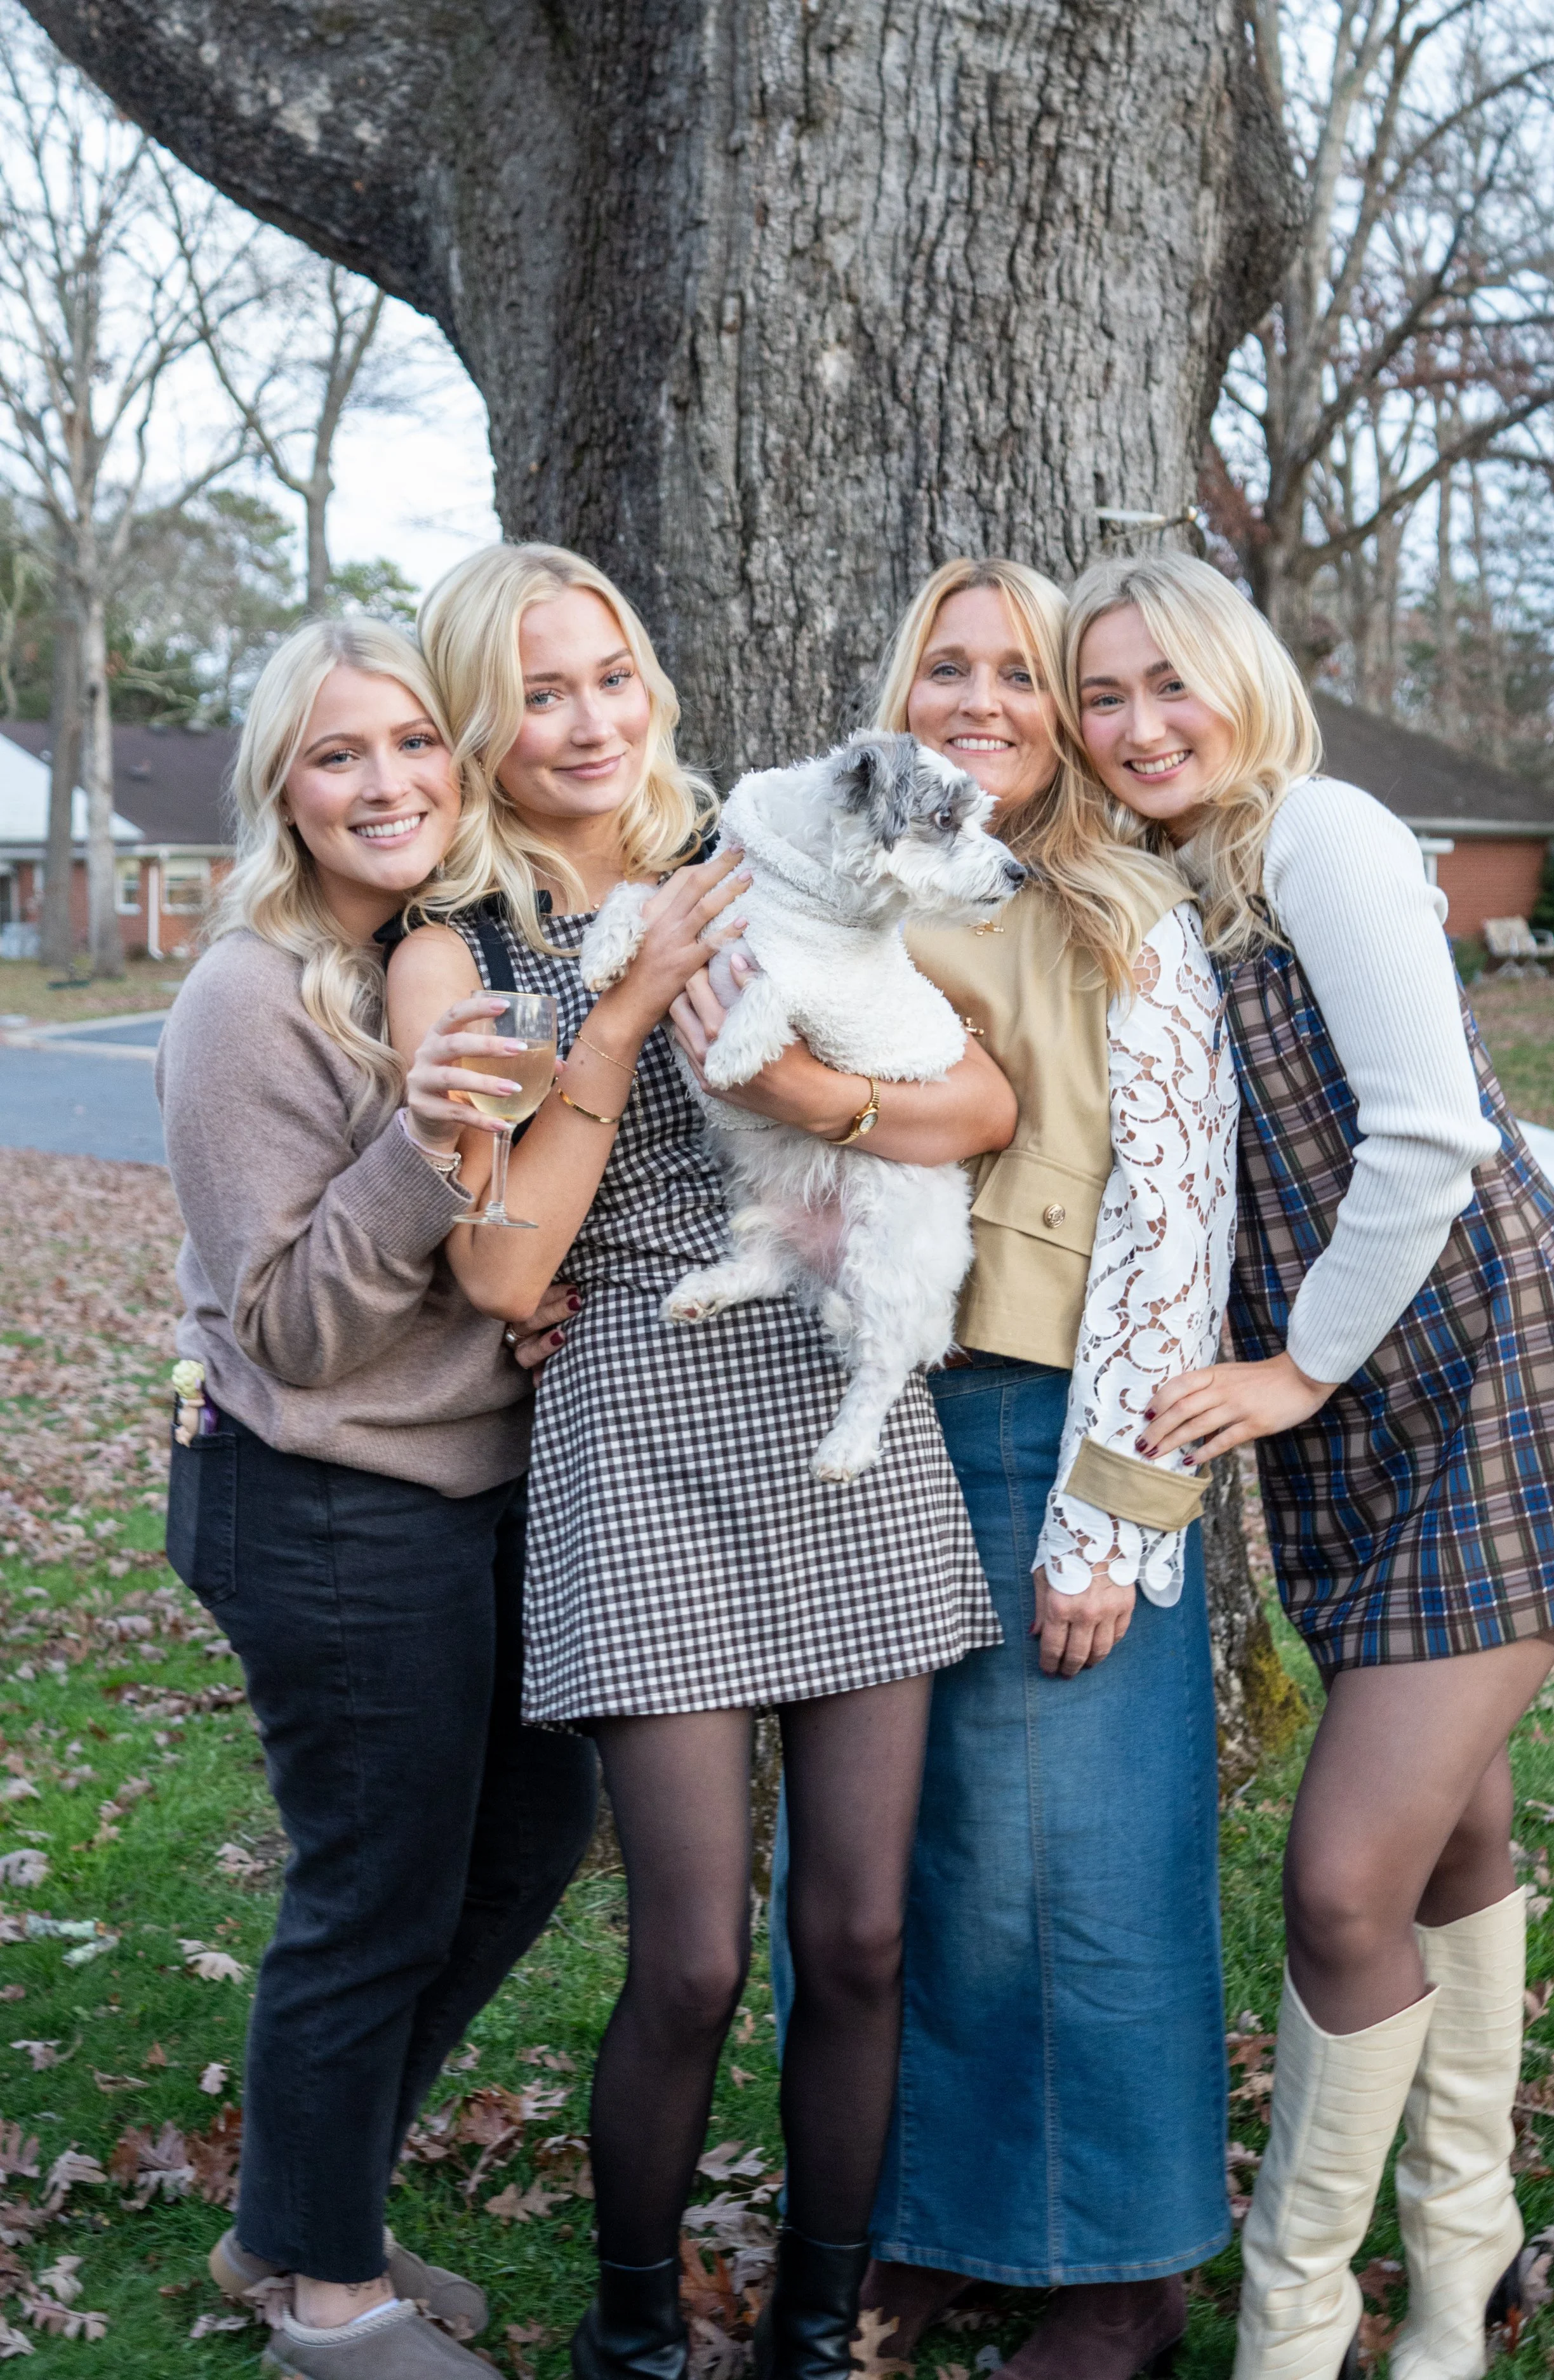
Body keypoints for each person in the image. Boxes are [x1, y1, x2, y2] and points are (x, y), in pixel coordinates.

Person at [384, 541, 1014, 2380]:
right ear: (481, 730)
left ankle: (816, 2326)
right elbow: (504, 1261)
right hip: (643, 1418)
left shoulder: (758, 846)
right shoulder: (458, 948)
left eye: (609, 676)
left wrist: (831, 1101)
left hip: (840, 1405)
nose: (587, 719)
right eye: (538, 692)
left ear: (649, 683)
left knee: (865, 1928)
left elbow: (975, 1092)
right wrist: (634, 999)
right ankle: (637, 2332)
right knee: (692, 1959)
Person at [696, 557, 1240, 2380]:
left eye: (1023, 672)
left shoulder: (1111, 909)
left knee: (1078, 1856)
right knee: (884, 1869)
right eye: (950, 665)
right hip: (851, 1409)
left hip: (1040, 1423)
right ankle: (915, 2219)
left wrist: (1118, 1512)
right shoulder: (820, 879)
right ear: (899, 687)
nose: (985, 699)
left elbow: (1175, 1219)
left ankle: (1118, 2265)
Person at [1061, 550, 1554, 2380]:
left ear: (1241, 678)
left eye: (1165, 683)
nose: (1136, 725)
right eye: (1100, 697)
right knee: (1455, 1828)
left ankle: (1294, 2328)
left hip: (1483, 1376)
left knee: (1340, 1883)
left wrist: (1285, 1370)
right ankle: (1462, 2258)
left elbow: (1434, 1132)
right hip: (1363, 1408)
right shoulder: (1168, 889)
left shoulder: (1325, 834)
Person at [157, 619, 601, 2380]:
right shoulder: (246, 997)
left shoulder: (458, 947)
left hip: (477, 1486)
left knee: (528, 1836)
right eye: (339, 754)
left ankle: (298, 2208)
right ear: (284, 784)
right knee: (377, 1888)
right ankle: (327, 2307)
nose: (389, 781)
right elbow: (294, 1329)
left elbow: (487, 1251)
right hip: (324, 1504)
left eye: (413, 740)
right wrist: (418, 1143)